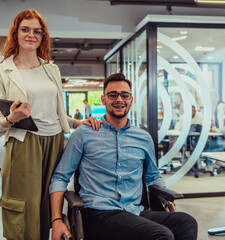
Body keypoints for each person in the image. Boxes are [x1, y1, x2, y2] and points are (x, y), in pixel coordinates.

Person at [0, 9, 100, 240]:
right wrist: (12, 118)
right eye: (25, 29)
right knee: (24, 206)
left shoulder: (51, 69)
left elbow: (56, 112)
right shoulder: (3, 71)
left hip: (56, 142)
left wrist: (79, 122)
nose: (31, 35)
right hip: (24, 143)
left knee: (50, 204)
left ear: (43, 36)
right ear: (15, 33)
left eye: (37, 31)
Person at [49, 73, 198, 240]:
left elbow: (153, 176)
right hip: (98, 214)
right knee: (161, 235)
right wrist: (57, 220)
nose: (119, 99)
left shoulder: (143, 137)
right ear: (103, 100)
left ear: (131, 100)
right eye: (113, 95)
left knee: (186, 222)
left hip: (134, 211)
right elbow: (60, 177)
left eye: (124, 95)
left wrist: (167, 200)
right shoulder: (84, 134)